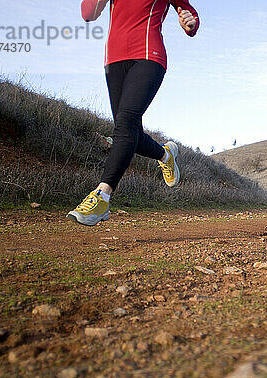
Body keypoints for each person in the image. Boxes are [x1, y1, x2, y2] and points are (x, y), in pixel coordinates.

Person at [68, 0, 200, 226]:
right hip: (114, 59)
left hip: (149, 55)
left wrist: (190, 22)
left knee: (125, 123)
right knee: (130, 133)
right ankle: (165, 154)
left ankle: (102, 196)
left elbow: (190, 15)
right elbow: (89, 14)